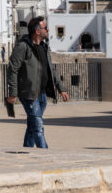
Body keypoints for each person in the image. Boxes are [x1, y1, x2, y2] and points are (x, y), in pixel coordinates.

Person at [6, 16, 69, 148]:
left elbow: (52, 69)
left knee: (32, 125)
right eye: (45, 28)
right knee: (38, 126)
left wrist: (61, 88)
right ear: (37, 31)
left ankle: (27, 152)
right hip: (29, 94)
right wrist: (13, 93)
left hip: (42, 95)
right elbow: (13, 70)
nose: (48, 29)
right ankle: (45, 153)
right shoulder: (23, 47)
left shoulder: (44, 47)